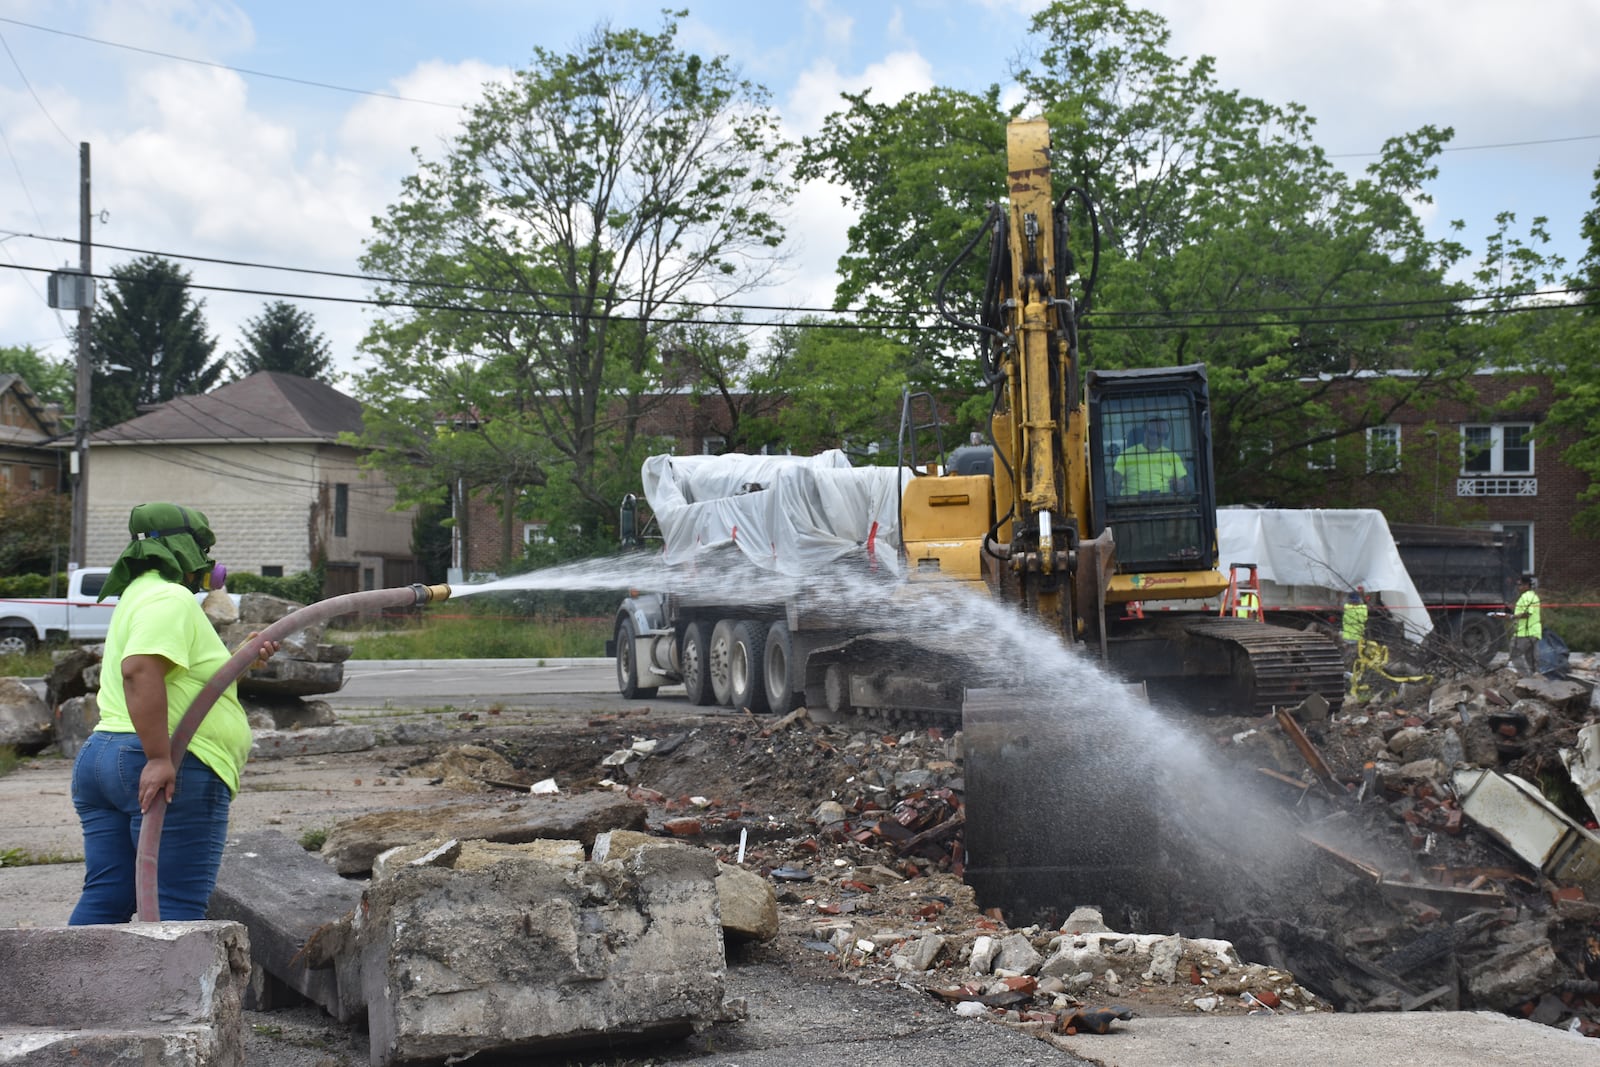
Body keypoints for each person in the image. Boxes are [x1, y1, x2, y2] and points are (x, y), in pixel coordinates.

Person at [68, 503, 276, 924]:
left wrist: (239, 658)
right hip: (164, 759)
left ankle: (70, 989)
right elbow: (140, 669)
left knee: (108, 898)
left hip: (104, 757)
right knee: (174, 910)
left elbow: (176, 676)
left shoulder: (138, 593)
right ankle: (167, 994)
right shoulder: (170, 596)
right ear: (189, 550)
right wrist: (162, 758)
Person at [1112, 417, 1190, 495]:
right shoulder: (1126, 455)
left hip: (1165, 502)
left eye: (1160, 435)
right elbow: (1114, 482)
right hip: (1131, 503)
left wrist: (1181, 485)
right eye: (1152, 433)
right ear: (1144, 432)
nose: (1155, 438)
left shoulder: (1173, 456)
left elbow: (1185, 482)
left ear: (1165, 436)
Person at [1509, 574, 1542, 675]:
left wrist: (1511, 617)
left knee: (1514, 655)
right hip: (1533, 632)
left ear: (1527, 585)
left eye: (1520, 585)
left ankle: (1525, 678)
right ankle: (1535, 680)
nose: (1518, 587)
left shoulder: (1527, 597)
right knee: (1531, 659)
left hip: (1525, 633)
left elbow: (1527, 614)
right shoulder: (1533, 596)